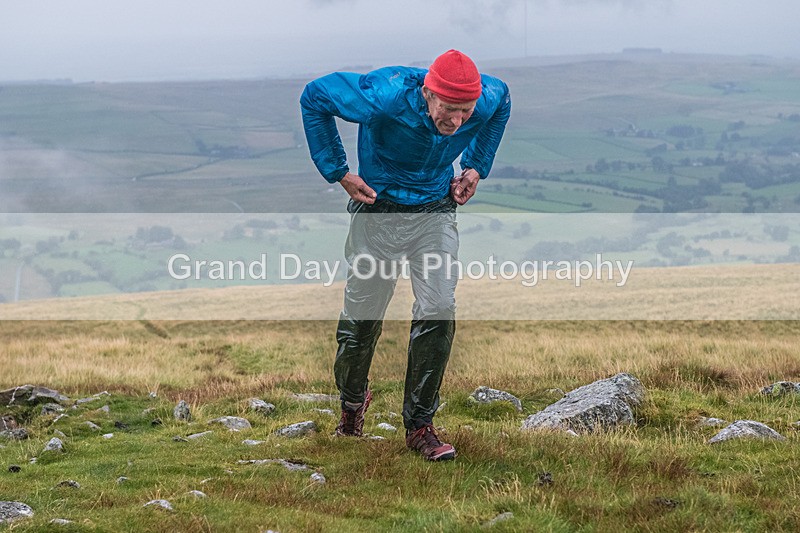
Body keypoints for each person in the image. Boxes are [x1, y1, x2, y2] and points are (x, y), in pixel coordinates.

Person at [300, 49, 510, 461]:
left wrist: (476, 167)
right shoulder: (384, 93)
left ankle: (420, 427)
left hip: (434, 211)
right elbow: (314, 97)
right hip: (377, 209)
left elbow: (502, 103)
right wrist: (339, 172)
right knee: (361, 321)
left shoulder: (487, 96)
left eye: (466, 112)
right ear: (429, 94)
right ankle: (352, 404)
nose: (456, 122)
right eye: (449, 110)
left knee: (438, 307)